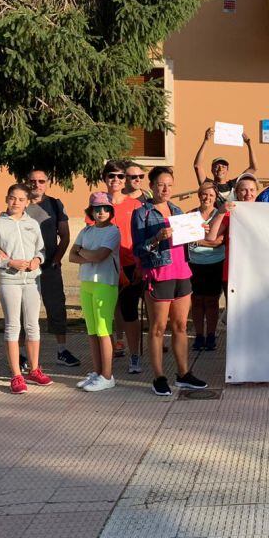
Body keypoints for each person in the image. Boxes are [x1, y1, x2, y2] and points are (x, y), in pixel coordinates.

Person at [132, 166, 207, 395]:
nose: (165, 189)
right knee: (157, 328)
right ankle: (159, 376)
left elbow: (187, 243)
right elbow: (138, 249)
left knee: (181, 326)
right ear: (152, 186)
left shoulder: (177, 210)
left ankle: (183, 374)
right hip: (159, 274)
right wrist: (156, 238)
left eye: (169, 185)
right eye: (161, 184)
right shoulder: (142, 213)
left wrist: (197, 233)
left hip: (182, 272)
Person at [0, 183, 50, 395]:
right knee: (13, 326)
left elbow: (41, 249)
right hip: (9, 281)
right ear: (6, 199)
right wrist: (8, 263)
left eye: (21, 200)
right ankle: (16, 375)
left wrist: (38, 260)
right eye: (12, 198)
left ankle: (34, 369)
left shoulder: (32, 223)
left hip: (31, 281)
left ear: (27, 202)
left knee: (33, 326)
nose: (16, 203)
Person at [69, 192, 121, 391]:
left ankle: (108, 375)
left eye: (105, 208)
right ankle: (98, 372)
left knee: (103, 329)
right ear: (91, 211)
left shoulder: (113, 231)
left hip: (105, 283)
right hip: (87, 283)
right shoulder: (86, 231)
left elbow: (100, 256)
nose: (101, 212)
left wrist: (83, 253)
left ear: (110, 211)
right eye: (97, 208)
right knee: (91, 330)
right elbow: (71, 256)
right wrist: (86, 254)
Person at [25, 169, 76, 369]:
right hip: (25, 270)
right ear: (26, 182)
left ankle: (62, 351)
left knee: (56, 308)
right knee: (24, 312)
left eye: (41, 181)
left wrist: (56, 259)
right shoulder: (20, 204)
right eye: (32, 181)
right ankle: (22, 355)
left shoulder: (55, 204)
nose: (36, 184)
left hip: (49, 267)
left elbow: (65, 235)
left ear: (47, 183)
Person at [100, 160, 144, 374]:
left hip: (129, 266)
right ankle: (106, 358)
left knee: (129, 312)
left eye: (119, 176)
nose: (115, 180)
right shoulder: (98, 202)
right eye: (111, 176)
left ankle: (134, 356)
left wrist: (139, 263)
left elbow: (141, 237)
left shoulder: (135, 205)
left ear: (124, 180)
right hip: (104, 266)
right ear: (104, 178)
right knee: (105, 313)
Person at [205, 173, 260, 302]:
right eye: (243, 190)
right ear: (237, 192)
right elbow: (211, 237)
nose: (248, 194)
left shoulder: (264, 211)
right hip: (234, 271)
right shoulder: (231, 211)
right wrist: (221, 212)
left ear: (257, 192)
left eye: (252, 190)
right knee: (234, 314)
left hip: (257, 271)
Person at [188, 182, 226, 352]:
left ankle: (211, 335)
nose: (207, 198)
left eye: (211, 195)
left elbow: (218, 241)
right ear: (199, 194)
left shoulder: (221, 215)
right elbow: (184, 238)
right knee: (196, 302)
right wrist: (206, 240)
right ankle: (199, 335)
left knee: (211, 302)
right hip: (194, 264)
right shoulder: (190, 215)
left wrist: (196, 240)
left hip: (214, 264)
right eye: (204, 194)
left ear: (215, 197)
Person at [193, 125, 257, 206]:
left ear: (227, 170)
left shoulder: (235, 184)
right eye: (217, 166)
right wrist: (206, 141)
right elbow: (197, 166)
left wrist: (249, 144)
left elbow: (253, 168)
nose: (220, 169)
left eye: (223, 167)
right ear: (212, 170)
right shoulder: (208, 184)